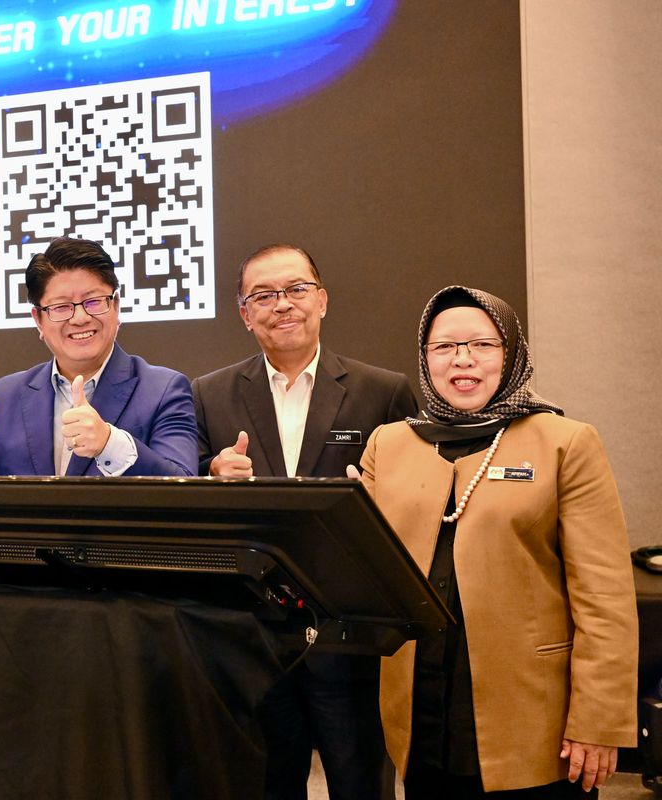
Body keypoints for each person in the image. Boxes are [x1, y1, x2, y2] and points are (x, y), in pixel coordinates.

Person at [358, 285, 638, 797]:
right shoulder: (390, 443)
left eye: (483, 345)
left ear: (511, 353)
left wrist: (599, 720)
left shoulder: (564, 442)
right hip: (422, 710)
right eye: (444, 347)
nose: (462, 359)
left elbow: (605, 598)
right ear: (424, 357)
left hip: (534, 718)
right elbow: (371, 573)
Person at [192, 244, 416, 800]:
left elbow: (417, 501)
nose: (282, 304)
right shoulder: (209, 394)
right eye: (263, 295)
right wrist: (212, 473)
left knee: (361, 784)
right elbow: (189, 492)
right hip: (254, 638)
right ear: (244, 314)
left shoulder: (383, 391)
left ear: (322, 300)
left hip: (350, 637)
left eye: (296, 289)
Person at [0, 236, 197, 478]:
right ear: (38, 320)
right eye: (61, 307)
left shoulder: (165, 390)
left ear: (116, 306)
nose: (80, 318)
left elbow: (183, 487)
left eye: (94, 301)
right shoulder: (4, 395)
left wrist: (109, 443)